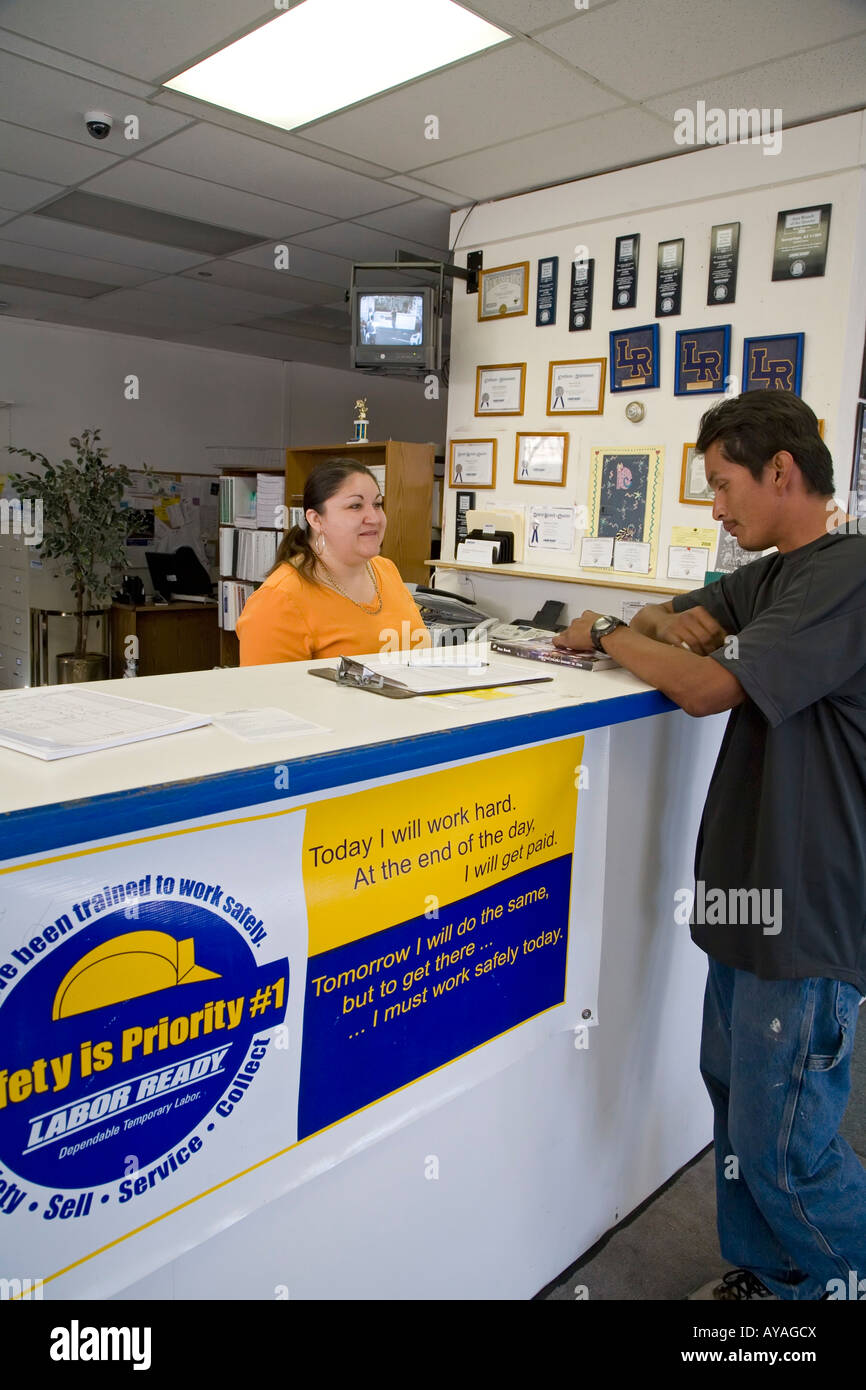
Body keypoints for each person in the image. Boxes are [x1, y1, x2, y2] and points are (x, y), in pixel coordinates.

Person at [553, 391, 866, 1301]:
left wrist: (612, 632)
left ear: (782, 472)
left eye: (725, 486)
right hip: (743, 893)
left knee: (785, 1142)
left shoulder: (846, 575)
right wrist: (654, 632)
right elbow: (675, 623)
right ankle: (775, 1280)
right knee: (734, 1099)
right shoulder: (774, 577)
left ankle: (842, 1274)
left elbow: (701, 686)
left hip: (805, 904)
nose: (717, 509)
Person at [237, 458, 430, 664]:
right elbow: (267, 693)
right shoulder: (279, 599)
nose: (374, 517)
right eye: (355, 506)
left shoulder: (386, 569)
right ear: (316, 519)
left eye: (377, 504)